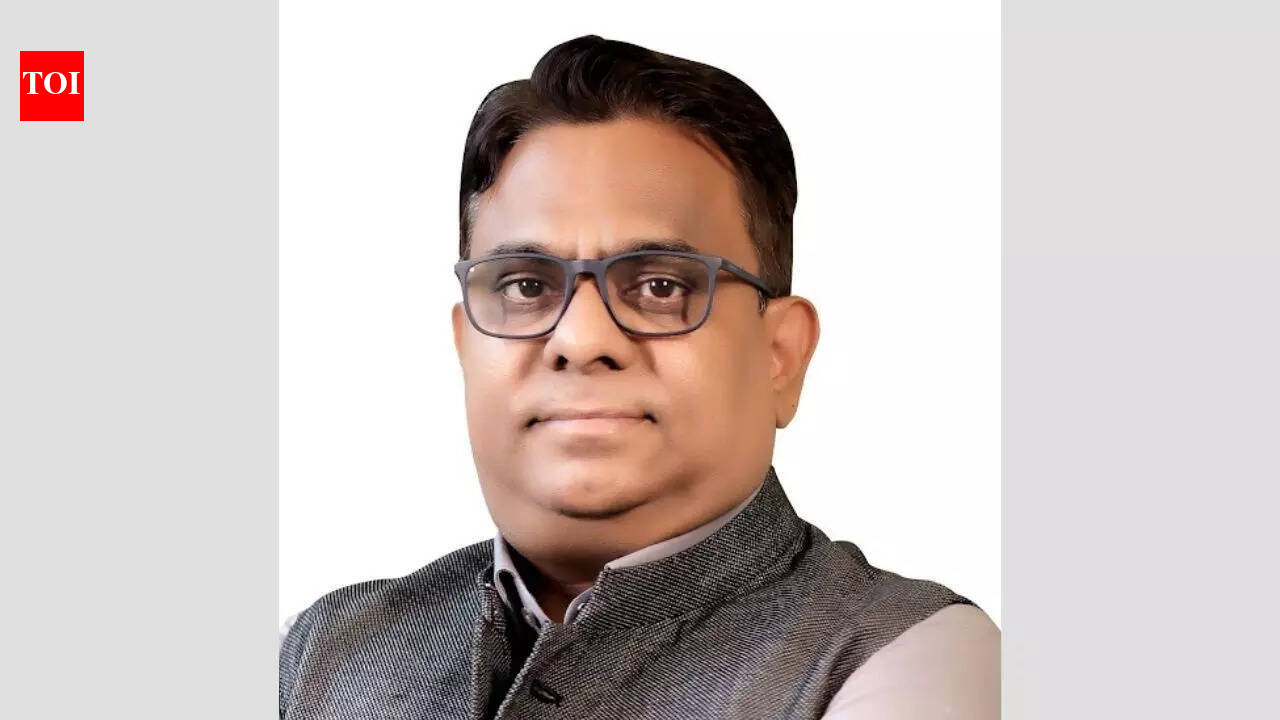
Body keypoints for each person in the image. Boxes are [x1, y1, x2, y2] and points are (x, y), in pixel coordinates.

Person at [279, 34, 999, 719]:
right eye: (527, 286)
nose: (581, 339)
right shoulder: (320, 651)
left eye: (660, 286)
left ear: (780, 355)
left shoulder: (911, 657)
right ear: (466, 346)